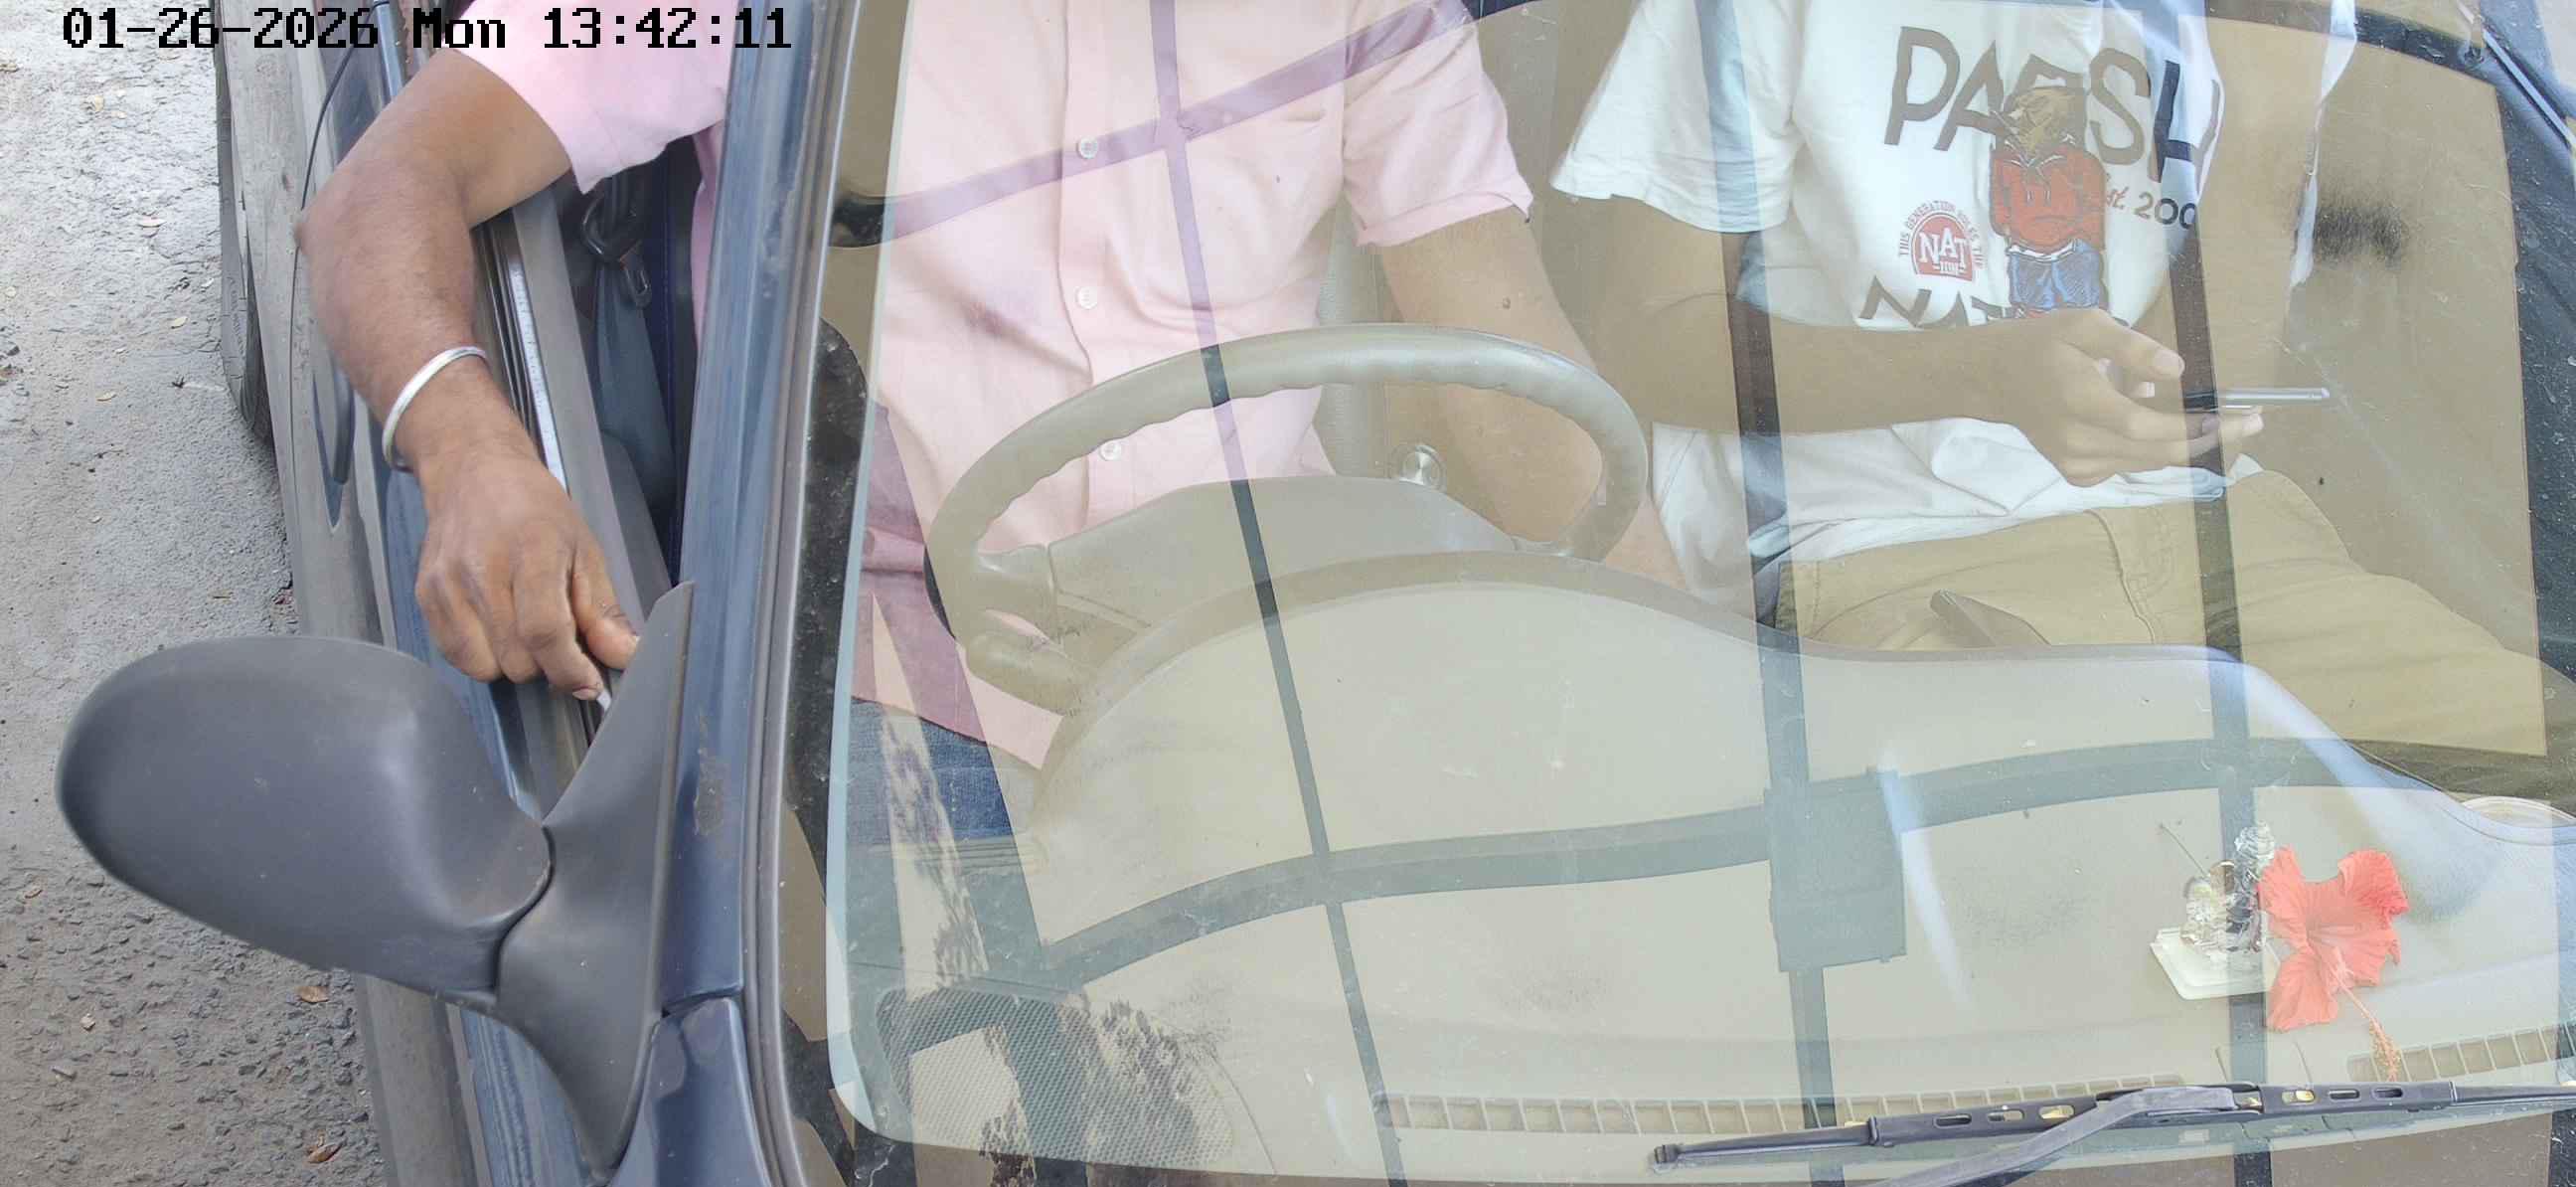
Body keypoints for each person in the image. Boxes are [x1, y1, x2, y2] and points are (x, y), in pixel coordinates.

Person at [300, 0, 1678, 740]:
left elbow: (1519, 389)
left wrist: (1716, 702)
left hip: (1274, 663)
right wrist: (470, 452)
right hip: (884, 689)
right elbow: (387, 185)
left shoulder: (1373, 14)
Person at [1551, 0, 2549, 762]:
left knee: (2543, 768)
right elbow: (1647, 333)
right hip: (1878, 547)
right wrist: (1976, 373)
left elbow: (2194, 395)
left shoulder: (2270, 21)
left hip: (2227, 546)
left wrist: (2270, 118)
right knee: (2064, 892)